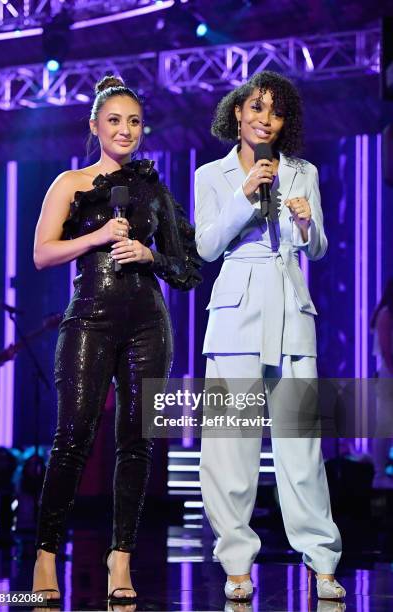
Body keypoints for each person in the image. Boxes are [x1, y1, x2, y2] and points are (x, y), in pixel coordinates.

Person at [31, 75, 202, 606]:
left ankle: (120, 556)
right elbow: (42, 254)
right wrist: (100, 237)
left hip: (149, 322)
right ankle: (45, 554)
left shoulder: (154, 190)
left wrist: (151, 255)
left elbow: (187, 265)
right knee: (73, 436)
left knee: (136, 441)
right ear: (95, 126)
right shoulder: (70, 182)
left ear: (141, 128)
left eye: (133, 122)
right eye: (114, 121)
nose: (124, 130)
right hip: (89, 320)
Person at [195, 70, 345, 601]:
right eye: (256, 108)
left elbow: (319, 246)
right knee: (230, 448)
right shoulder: (210, 175)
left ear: (286, 123)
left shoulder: (304, 171)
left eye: (276, 112)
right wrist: (244, 193)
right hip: (235, 315)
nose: (265, 118)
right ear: (238, 112)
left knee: (302, 447)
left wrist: (306, 226)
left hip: (291, 311)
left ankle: (322, 559)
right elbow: (208, 248)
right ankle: (236, 563)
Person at [370, 278, 393, 489]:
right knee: (385, 425)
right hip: (388, 375)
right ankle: (379, 474)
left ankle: (382, 473)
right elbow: (387, 350)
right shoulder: (386, 314)